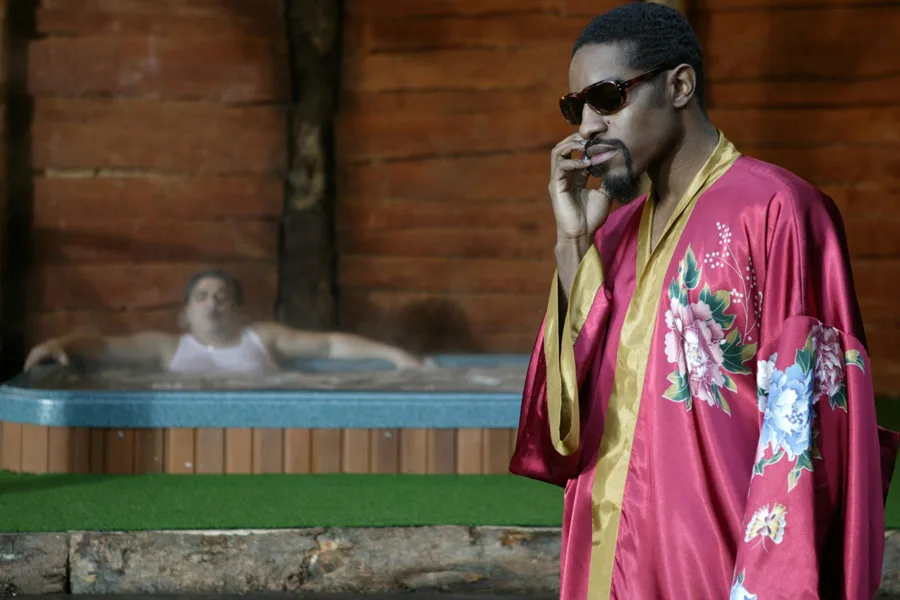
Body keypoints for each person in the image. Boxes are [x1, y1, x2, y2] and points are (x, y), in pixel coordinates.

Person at [508, 3, 900, 599]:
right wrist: (573, 243)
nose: (586, 127)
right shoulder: (610, 233)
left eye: (607, 98)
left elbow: (809, 434)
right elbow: (558, 432)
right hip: (603, 566)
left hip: (712, 574)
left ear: (680, 86)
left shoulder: (777, 212)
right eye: (575, 107)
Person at [24, 268, 424, 374]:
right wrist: (59, 345)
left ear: (237, 309)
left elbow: (330, 345)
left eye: (221, 297)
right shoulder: (168, 347)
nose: (211, 305)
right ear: (186, 311)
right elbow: (106, 347)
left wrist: (395, 356)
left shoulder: (262, 338)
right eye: (201, 297)